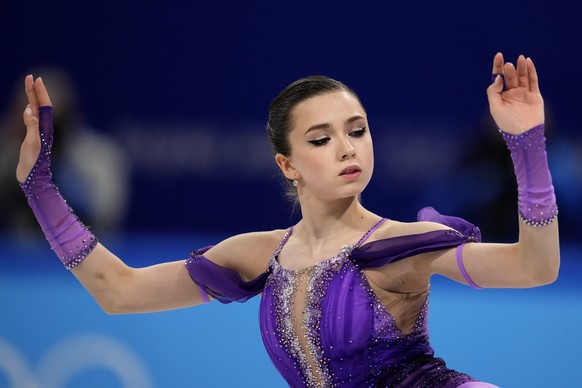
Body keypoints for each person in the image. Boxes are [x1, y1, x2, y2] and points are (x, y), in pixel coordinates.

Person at [15, 53, 559, 387]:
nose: (348, 148)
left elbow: (536, 267)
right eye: (322, 139)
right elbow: (119, 291)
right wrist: (40, 190)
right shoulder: (259, 256)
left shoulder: (403, 244)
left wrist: (525, 143)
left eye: (358, 130)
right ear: (287, 164)